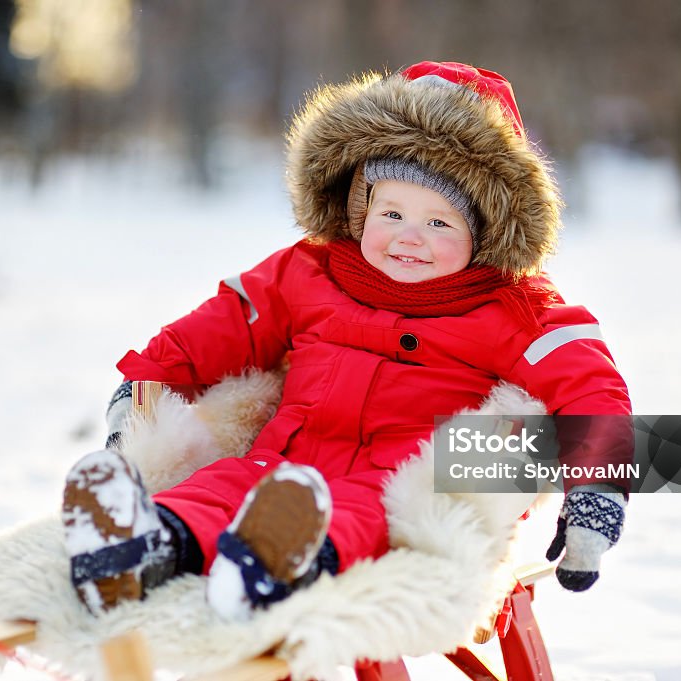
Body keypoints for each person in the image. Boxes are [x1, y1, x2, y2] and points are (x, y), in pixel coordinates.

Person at [62, 61, 632, 620]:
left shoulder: (513, 308)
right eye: (391, 212)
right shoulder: (308, 272)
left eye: (439, 223)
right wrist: (144, 388)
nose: (410, 238)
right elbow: (222, 326)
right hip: (281, 461)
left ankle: (277, 568)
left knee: (360, 516)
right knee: (216, 489)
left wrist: (596, 497)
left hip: (393, 479)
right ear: (359, 212)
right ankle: (142, 544)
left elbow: (589, 389)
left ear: (484, 233)